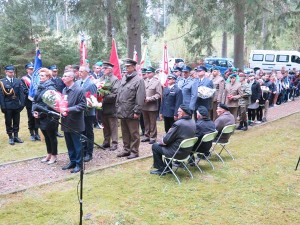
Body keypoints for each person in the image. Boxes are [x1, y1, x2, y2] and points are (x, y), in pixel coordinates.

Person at [150, 104, 196, 175]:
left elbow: (166, 140)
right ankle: (168, 168)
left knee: (155, 146)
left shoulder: (178, 124)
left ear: (184, 112)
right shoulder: (193, 122)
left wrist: (162, 140)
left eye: (179, 111)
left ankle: (161, 169)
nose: (177, 113)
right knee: (168, 144)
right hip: (186, 152)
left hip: (177, 152)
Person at [116, 58, 146, 159]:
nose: (126, 68)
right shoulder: (124, 78)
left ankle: (134, 151)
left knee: (134, 133)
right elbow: (119, 93)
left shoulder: (139, 80)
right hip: (122, 110)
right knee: (125, 132)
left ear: (134, 67)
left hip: (132, 110)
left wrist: (137, 111)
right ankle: (126, 149)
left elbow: (140, 97)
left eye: (128, 66)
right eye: (126, 67)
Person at [60, 70, 86, 173]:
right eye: (63, 76)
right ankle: (72, 161)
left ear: (71, 78)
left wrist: (68, 110)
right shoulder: (64, 90)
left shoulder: (79, 90)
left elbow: (82, 105)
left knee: (77, 144)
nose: (63, 77)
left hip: (75, 122)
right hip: (66, 121)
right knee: (69, 143)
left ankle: (79, 164)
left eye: (65, 76)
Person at [32, 68, 58, 164]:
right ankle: (49, 153)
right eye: (40, 76)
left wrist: (41, 113)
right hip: (40, 115)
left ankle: (54, 155)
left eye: (42, 76)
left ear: (48, 77)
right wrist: (33, 111)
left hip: (48, 117)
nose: (40, 77)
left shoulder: (51, 88)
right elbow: (35, 101)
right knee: (46, 136)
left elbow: (51, 105)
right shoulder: (40, 86)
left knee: (51, 136)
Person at [76, 66, 97, 162]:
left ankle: (89, 153)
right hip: (79, 112)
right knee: (81, 132)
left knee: (88, 132)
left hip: (88, 112)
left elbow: (93, 99)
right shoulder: (77, 82)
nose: (79, 73)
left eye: (81, 71)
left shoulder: (91, 84)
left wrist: (88, 105)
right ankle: (83, 151)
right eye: (79, 71)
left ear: (87, 72)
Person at [0, 65, 25, 145]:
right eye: (10, 72)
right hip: (7, 106)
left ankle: (16, 136)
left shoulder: (18, 81)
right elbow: (1, 95)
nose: (12, 74)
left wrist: (22, 104)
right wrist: (3, 106)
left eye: (13, 72)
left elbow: (21, 93)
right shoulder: (2, 82)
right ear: (6, 72)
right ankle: (10, 137)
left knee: (16, 121)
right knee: (8, 121)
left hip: (16, 105)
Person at [98, 62, 120, 151]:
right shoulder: (101, 78)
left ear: (110, 70)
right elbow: (98, 89)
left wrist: (104, 99)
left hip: (111, 106)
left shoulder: (114, 79)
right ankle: (106, 141)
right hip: (102, 107)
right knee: (105, 125)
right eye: (102, 68)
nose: (102, 70)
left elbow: (115, 94)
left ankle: (114, 143)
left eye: (104, 68)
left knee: (113, 125)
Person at [141, 66, 162, 144]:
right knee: (146, 122)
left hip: (152, 105)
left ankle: (153, 137)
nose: (147, 74)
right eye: (147, 72)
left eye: (149, 72)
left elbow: (159, 94)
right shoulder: (143, 81)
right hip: (144, 105)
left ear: (153, 73)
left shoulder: (157, 82)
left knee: (152, 122)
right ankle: (147, 136)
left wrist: (150, 98)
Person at [21, 62, 40, 141]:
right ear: (27, 70)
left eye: (32, 69)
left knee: (37, 116)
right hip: (29, 101)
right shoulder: (24, 79)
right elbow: (24, 90)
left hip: (37, 101)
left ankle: (37, 133)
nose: (32, 70)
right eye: (30, 69)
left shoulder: (37, 78)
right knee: (31, 117)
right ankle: (32, 133)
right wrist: (33, 95)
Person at [49, 65, 65, 138]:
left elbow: (63, 89)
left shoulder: (60, 79)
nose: (55, 73)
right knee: (50, 117)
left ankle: (56, 131)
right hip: (49, 101)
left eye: (56, 71)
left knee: (57, 116)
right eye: (53, 71)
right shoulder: (48, 80)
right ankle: (50, 131)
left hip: (58, 101)